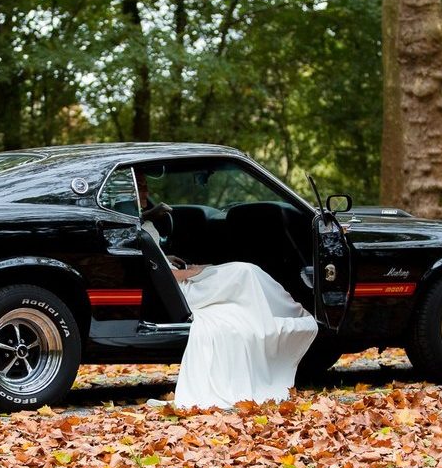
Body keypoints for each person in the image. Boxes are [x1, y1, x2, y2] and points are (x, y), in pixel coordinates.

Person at [136, 171, 319, 409]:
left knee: (244, 272)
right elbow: (158, 272)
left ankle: (268, 317)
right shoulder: (139, 226)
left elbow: (156, 261)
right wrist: (191, 272)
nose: (145, 191)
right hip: (181, 288)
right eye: (139, 186)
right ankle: (278, 319)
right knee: (245, 271)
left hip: (178, 278)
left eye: (145, 186)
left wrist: (171, 259)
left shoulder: (141, 222)